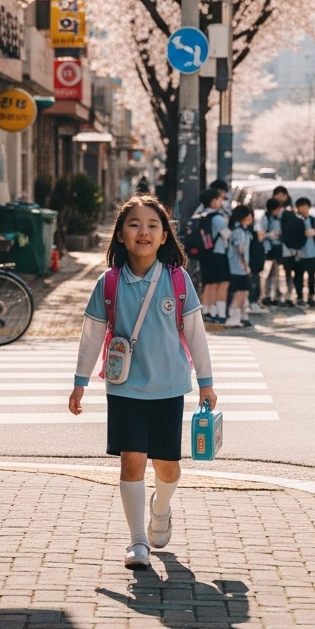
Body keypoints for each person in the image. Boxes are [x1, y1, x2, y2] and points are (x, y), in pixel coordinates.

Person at [69, 195, 216, 570]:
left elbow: (196, 333)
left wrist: (206, 382)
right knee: (131, 461)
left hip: (169, 387)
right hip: (125, 388)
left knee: (167, 466)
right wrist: (80, 382)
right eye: (134, 224)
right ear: (120, 234)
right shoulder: (109, 283)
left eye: (153, 225)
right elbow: (91, 335)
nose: (144, 232)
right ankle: (137, 542)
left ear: (165, 236)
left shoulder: (178, 280)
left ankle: (160, 508)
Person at [197, 188, 230, 323]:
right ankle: (219, 313)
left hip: (205, 254)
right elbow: (227, 234)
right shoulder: (217, 217)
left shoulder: (200, 214)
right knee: (221, 283)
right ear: (213, 201)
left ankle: (206, 311)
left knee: (208, 283)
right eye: (218, 199)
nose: (220, 201)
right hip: (218, 253)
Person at [225, 204, 254, 327]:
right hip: (238, 266)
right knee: (240, 291)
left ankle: (239, 315)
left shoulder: (239, 230)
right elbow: (241, 249)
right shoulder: (240, 231)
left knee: (242, 290)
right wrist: (245, 264)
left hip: (236, 266)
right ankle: (234, 316)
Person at [291, 197, 315, 307]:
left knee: (312, 276)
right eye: (302, 207)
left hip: (312, 253)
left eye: (306, 207)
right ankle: (299, 296)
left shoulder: (313, 220)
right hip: (299, 253)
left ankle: (311, 296)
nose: (304, 209)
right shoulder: (295, 220)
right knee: (298, 275)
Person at [261, 198, 286, 305]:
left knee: (276, 272)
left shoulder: (280, 218)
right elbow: (261, 233)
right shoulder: (265, 218)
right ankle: (264, 295)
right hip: (267, 248)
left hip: (277, 247)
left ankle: (273, 295)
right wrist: (270, 235)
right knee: (266, 273)